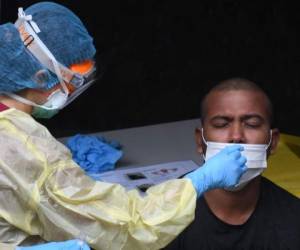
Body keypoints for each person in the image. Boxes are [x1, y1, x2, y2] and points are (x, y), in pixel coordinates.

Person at [0, 2, 248, 250]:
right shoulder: (27, 151)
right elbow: (129, 227)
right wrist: (199, 181)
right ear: (41, 76)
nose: (74, 89)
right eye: (74, 78)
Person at [164, 78, 300, 250]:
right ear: (200, 141)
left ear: (272, 143)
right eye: (221, 124)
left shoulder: (294, 221)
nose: (236, 136)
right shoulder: (164, 217)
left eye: (252, 124)